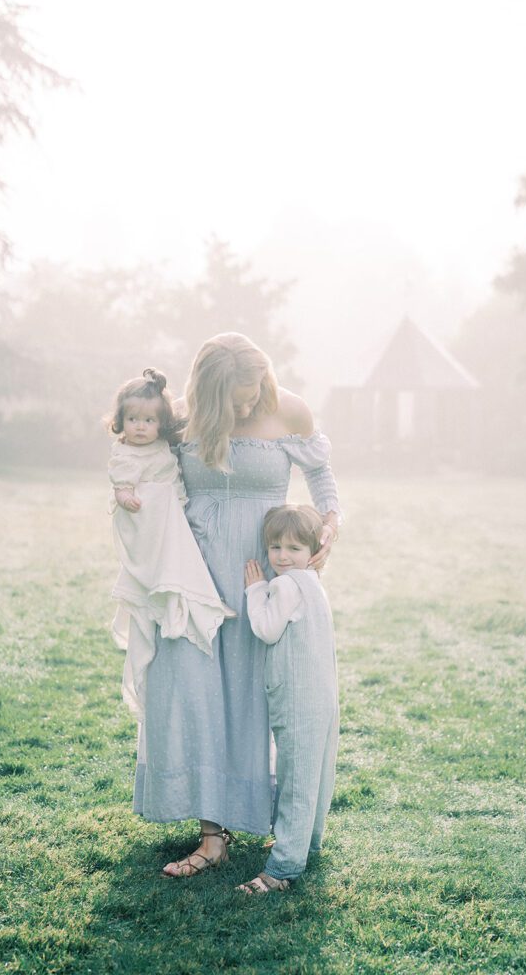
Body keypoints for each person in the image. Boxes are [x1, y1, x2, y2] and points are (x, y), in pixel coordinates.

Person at [132, 332, 342, 877]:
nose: (247, 406)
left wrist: (331, 519)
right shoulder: (182, 421)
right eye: (236, 399)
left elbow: (319, 472)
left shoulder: (289, 410)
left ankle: (268, 813)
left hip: (262, 575)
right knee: (194, 690)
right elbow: (141, 466)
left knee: (253, 694)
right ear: (208, 392)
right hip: (193, 572)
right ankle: (211, 835)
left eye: (253, 394)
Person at [107, 368, 231, 720]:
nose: (140, 427)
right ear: (121, 421)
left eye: (148, 420)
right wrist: (127, 494)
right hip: (144, 517)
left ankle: (180, 601)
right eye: (132, 419)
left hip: (171, 515)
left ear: (161, 424)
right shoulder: (126, 452)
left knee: (178, 561)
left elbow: (174, 475)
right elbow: (121, 482)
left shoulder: (163, 446)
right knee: (156, 564)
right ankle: (160, 593)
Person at [238, 504, 339, 893]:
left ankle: (283, 868)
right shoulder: (313, 583)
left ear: (312, 550)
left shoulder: (284, 585)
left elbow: (265, 628)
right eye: (275, 547)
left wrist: (254, 590)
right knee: (315, 771)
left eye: (294, 548)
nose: (282, 556)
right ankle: (306, 842)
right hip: (322, 695)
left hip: (296, 696)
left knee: (296, 779)